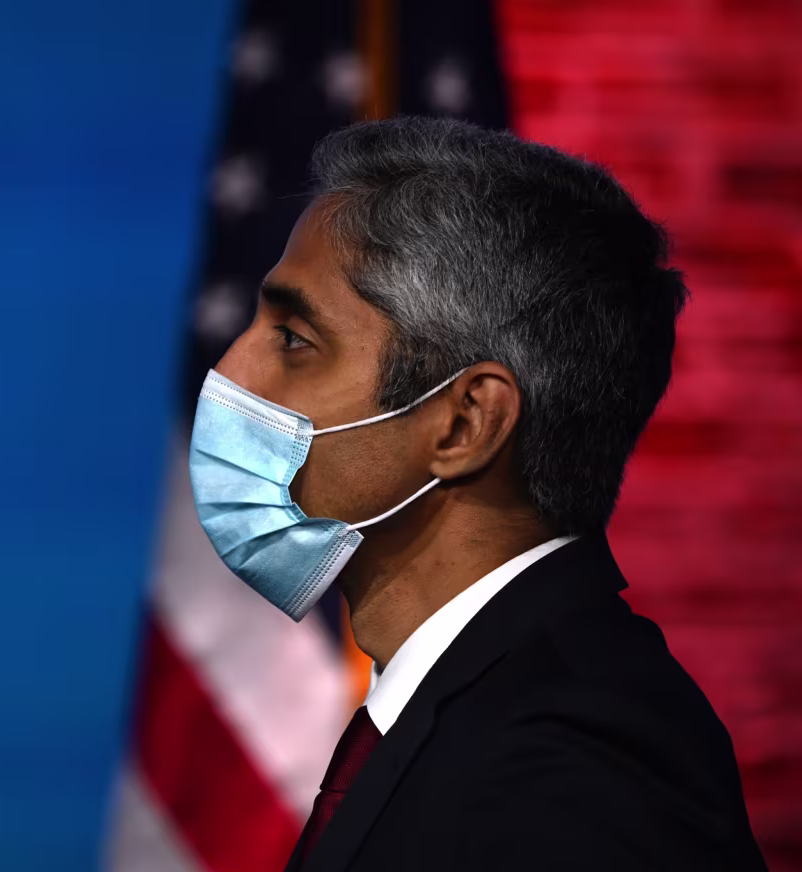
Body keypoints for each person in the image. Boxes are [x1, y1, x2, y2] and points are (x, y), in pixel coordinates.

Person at [188, 117, 767, 871]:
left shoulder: (567, 778)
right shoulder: (489, 707)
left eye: (295, 340)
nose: (233, 373)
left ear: (464, 424)